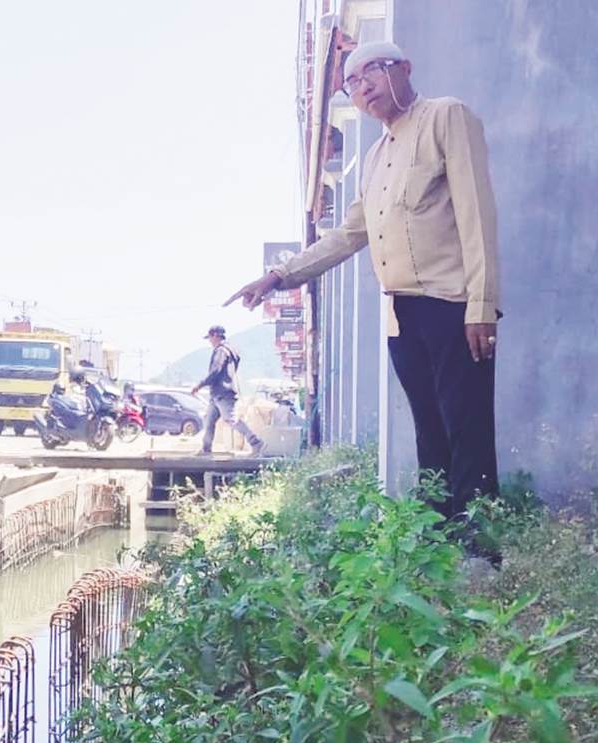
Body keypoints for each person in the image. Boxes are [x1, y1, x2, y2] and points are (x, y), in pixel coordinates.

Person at [225, 40, 502, 550]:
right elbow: (349, 234)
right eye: (352, 84)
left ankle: (482, 548)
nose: (363, 88)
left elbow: (477, 213)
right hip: (402, 314)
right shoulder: (374, 157)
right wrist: (280, 275)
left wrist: (482, 306)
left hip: (454, 304)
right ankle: (437, 543)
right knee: (429, 432)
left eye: (370, 73)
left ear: (403, 68)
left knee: (467, 427)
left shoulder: (446, 117)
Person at [190, 325, 266, 456]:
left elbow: (215, 371)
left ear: (215, 335)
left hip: (223, 392)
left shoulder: (221, 351)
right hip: (217, 393)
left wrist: (200, 385)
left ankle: (256, 442)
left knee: (231, 419)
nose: (210, 341)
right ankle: (206, 449)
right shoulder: (230, 351)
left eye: (210, 338)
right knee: (209, 420)